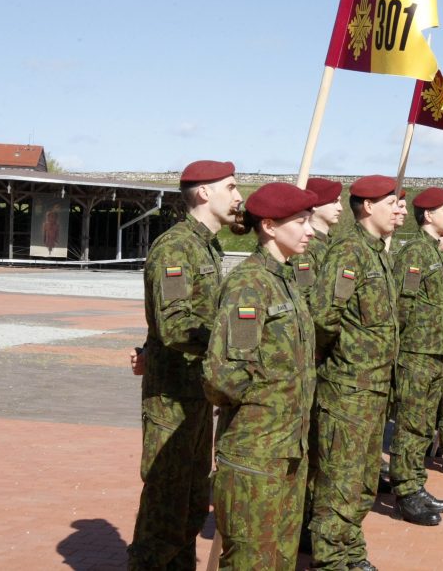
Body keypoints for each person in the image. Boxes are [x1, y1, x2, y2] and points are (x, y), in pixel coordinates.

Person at [128, 160, 242, 570]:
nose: (239, 196)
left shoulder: (208, 245)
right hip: (172, 399)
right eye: (231, 187)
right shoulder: (176, 247)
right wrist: (229, 340)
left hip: (195, 393)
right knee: (166, 504)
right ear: (204, 193)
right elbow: (174, 324)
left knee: (193, 502)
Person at [202, 183, 317, 569]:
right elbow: (222, 375)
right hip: (256, 453)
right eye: (301, 222)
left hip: (287, 450)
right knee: (251, 560)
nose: (310, 230)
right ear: (269, 226)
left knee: (279, 558)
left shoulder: (284, 279)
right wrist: (266, 405)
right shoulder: (249, 285)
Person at [309, 175, 401, 571]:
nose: (400, 209)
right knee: (339, 484)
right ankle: (330, 561)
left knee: (362, 482)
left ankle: (349, 553)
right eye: (392, 202)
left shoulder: (376, 252)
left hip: (374, 388)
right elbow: (322, 319)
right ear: (366, 206)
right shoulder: (349, 252)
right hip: (348, 389)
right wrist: (343, 363)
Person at [389, 187, 443, 525]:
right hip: (416, 355)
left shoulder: (434, 253)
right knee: (411, 425)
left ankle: (415, 482)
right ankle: (405, 490)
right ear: (428, 215)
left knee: (423, 426)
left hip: (433, 353)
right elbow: (403, 306)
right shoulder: (415, 253)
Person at [290, 177, 343, 309]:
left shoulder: (333, 243)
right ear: (315, 205)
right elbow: (306, 294)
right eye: (334, 202)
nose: (340, 208)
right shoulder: (305, 245)